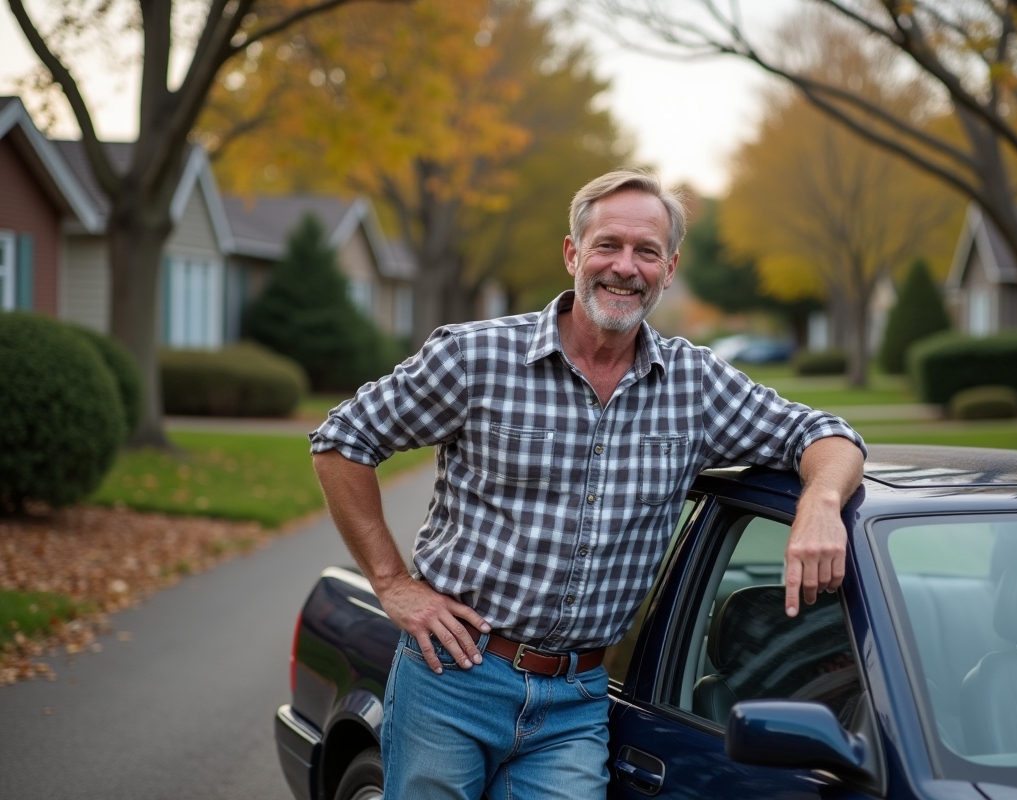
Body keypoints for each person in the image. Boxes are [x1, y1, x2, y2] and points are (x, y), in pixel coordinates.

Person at [310, 169, 866, 799]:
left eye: (646, 252)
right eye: (608, 245)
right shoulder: (475, 358)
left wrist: (820, 502)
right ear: (573, 253)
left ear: (670, 268)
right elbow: (342, 441)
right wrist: (392, 583)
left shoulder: (697, 385)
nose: (624, 267)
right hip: (453, 678)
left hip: (575, 705)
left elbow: (826, 434)